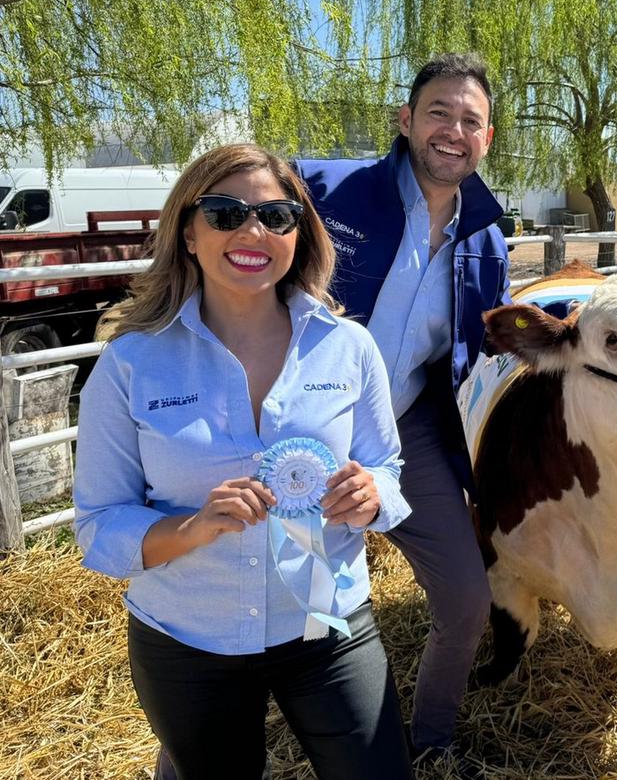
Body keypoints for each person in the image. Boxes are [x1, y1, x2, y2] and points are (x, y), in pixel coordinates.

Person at [73, 144, 414, 780]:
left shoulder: (349, 348)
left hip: (326, 623)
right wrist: (192, 528)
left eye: (276, 216)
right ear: (188, 232)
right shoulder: (130, 366)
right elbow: (98, 524)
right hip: (188, 639)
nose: (253, 231)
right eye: (226, 213)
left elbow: (388, 469)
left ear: (298, 233)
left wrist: (372, 496)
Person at [294, 52, 510, 762]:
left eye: (471, 120)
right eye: (439, 112)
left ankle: (432, 745)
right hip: (292, 427)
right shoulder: (324, 189)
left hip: (403, 426)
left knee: (466, 600)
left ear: (488, 137)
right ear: (406, 120)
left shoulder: (486, 239)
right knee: (253, 603)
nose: (454, 130)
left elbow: (485, 344)